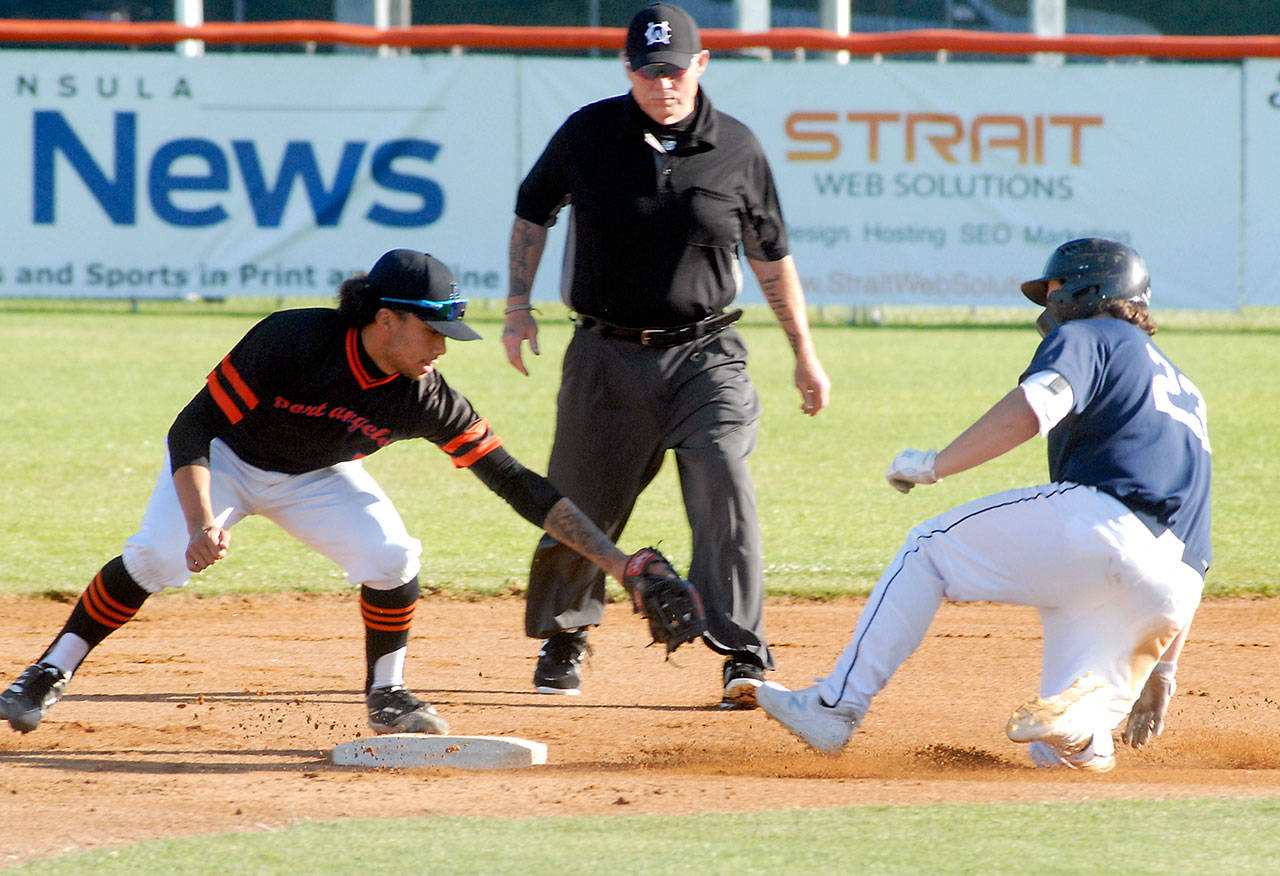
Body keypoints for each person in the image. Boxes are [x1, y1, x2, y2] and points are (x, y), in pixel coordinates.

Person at [0, 249, 675, 736]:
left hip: (317, 477)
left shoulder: (425, 397)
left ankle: (388, 695)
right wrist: (203, 519)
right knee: (157, 556)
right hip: (229, 461)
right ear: (387, 320)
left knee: (392, 556)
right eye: (434, 331)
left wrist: (617, 564)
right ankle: (47, 671)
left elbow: (515, 482)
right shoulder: (293, 341)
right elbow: (193, 427)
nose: (442, 348)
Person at [757, 238, 1210, 771]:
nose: (1048, 305)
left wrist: (934, 464)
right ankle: (1083, 733)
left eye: (1056, 289)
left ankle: (836, 706)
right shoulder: (1186, 389)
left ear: (1092, 290)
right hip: (1172, 588)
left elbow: (1033, 407)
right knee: (1057, 756)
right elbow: (1195, 553)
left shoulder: (1095, 334)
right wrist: (1162, 671)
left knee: (928, 550)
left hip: (1104, 529)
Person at [501, 2, 831, 708]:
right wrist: (517, 306)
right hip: (604, 352)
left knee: (722, 478)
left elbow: (772, 259)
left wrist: (805, 353)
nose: (663, 85)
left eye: (675, 71)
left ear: (701, 66)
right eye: (649, 72)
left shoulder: (737, 148)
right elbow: (533, 210)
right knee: (581, 498)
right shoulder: (589, 133)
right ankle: (566, 636)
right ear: (628, 69)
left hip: (706, 354)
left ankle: (742, 652)